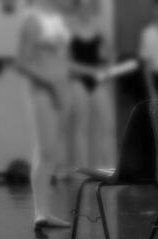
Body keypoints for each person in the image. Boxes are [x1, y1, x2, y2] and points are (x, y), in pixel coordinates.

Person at [15, 0, 75, 230]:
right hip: (42, 90)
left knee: (52, 152)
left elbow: (63, 59)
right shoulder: (32, 19)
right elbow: (22, 61)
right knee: (45, 147)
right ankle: (39, 212)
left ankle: (46, 210)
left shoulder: (59, 19)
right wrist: (51, 83)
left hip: (63, 88)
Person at [66, 0, 117, 169]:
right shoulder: (70, 29)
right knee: (82, 125)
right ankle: (82, 168)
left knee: (107, 123)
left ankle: (109, 166)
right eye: (83, 6)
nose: (86, 10)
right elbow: (67, 63)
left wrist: (106, 68)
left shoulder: (99, 28)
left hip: (96, 82)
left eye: (89, 6)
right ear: (77, 7)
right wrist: (90, 71)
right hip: (78, 81)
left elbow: (110, 56)